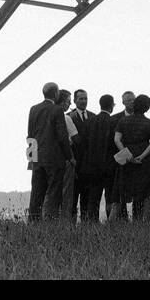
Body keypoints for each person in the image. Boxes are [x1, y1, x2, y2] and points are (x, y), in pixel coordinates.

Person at [27, 80, 73, 220]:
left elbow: (30, 134)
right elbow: (62, 136)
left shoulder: (33, 109)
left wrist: (32, 157)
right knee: (54, 191)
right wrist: (69, 156)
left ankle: (33, 220)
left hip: (37, 156)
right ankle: (50, 220)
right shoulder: (57, 110)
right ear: (56, 93)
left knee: (37, 191)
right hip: (54, 158)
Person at [114, 93, 150, 221]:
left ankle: (114, 222)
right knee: (147, 193)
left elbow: (117, 139)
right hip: (146, 161)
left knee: (122, 191)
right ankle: (145, 222)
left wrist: (127, 155)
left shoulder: (123, 121)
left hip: (127, 158)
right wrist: (142, 156)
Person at [79, 95, 116, 222]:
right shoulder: (113, 122)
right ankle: (110, 221)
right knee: (110, 196)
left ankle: (91, 221)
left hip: (92, 166)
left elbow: (83, 144)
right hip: (110, 165)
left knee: (93, 196)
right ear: (112, 106)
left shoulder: (89, 121)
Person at [109, 92, 136, 219]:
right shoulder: (114, 119)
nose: (131, 102)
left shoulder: (140, 118)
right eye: (128, 100)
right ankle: (120, 219)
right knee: (118, 193)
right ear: (123, 102)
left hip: (136, 160)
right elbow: (111, 142)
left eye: (133, 100)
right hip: (118, 161)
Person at [69, 89, 94, 220]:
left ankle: (85, 222)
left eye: (85, 98)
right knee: (72, 198)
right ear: (75, 100)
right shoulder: (69, 117)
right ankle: (71, 223)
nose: (84, 101)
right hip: (75, 163)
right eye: (81, 99)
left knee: (86, 198)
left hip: (89, 166)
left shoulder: (93, 116)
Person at [57, 89, 80, 219]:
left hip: (48, 158)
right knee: (66, 192)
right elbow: (76, 139)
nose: (69, 105)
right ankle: (65, 219)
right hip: (66, 158)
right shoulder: (66, 118)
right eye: (68, 102)